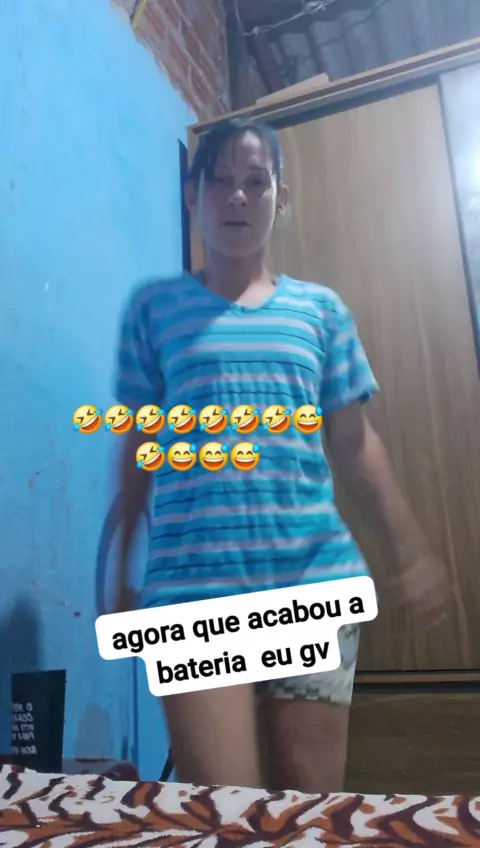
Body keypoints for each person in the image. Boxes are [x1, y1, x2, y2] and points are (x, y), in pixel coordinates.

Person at [113, 117, 447, 793]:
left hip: (311, 582)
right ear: (193, 194)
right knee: (225, 813)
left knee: (307, 815)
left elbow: (356, 444)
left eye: (255, 182)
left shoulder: (321, 312)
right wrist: (123, 564)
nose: (237, 197)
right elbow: (139, 442)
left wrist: (409, 551)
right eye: (220, 182)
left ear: (280, 198)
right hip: (192, 590)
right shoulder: (154, 308)